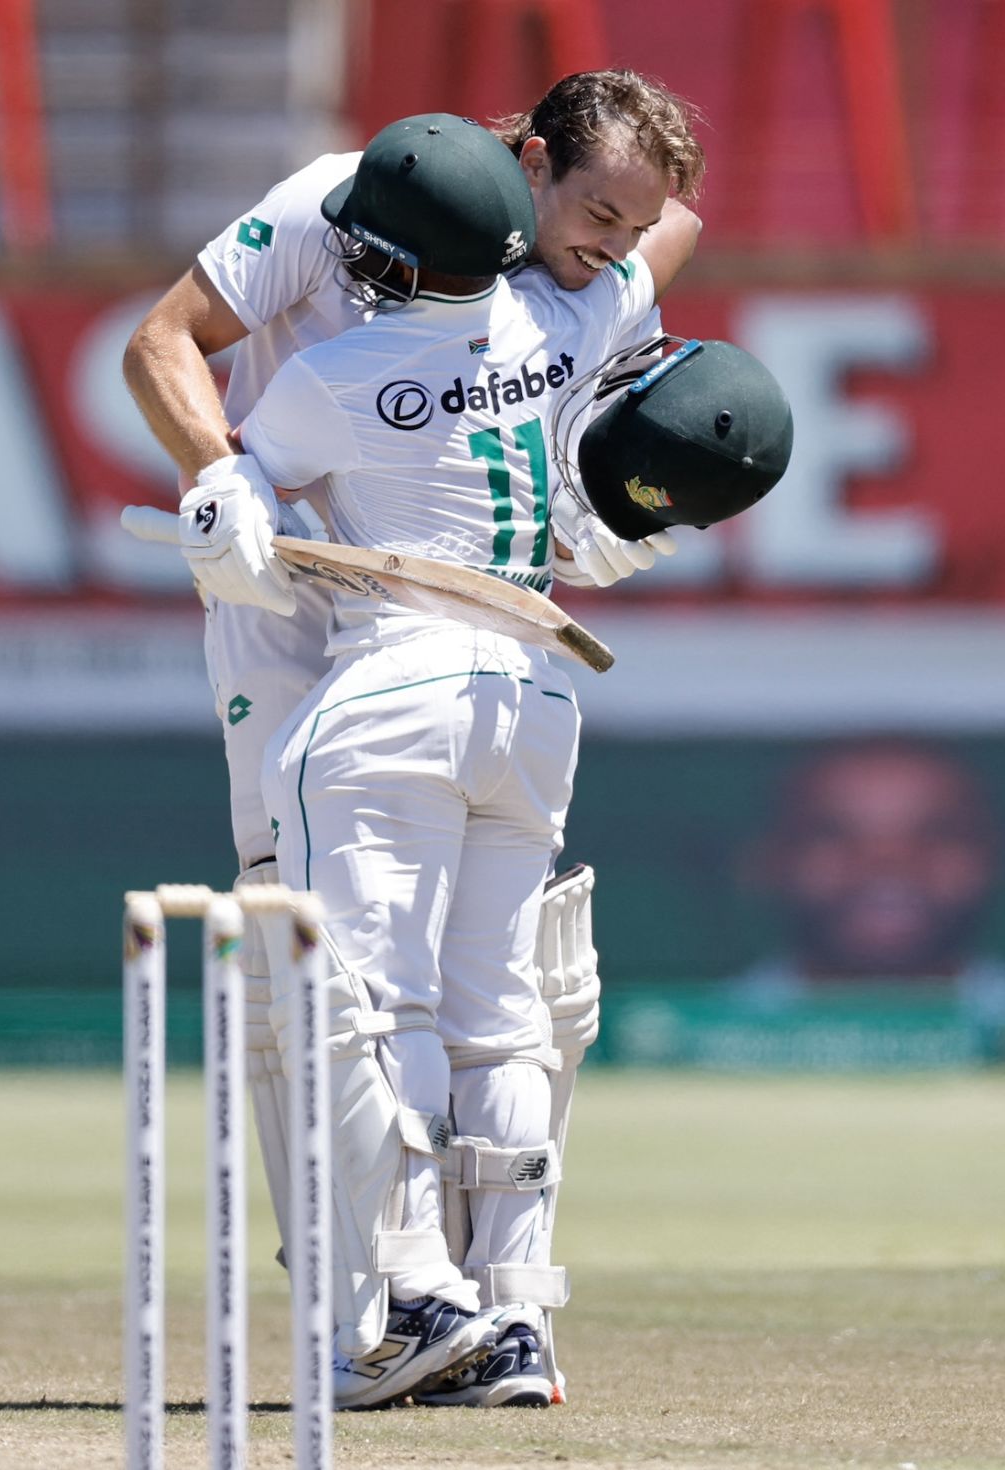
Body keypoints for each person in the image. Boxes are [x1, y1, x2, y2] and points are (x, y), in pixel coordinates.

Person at [122, 71, 707, 1408]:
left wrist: (586, 473)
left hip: (408, 639)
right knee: (331, 962)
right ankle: (406, 1292)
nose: (617, 250)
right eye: (597, 214)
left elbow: (651, 245)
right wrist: (218, 478)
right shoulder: (332, 209)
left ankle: (432, 1306)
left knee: (394, 991)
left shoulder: (565, 274)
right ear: (528, 157)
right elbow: (162, 341)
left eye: (633, 227)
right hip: (297, 613)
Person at [726, 737, 1005, 1053]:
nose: (887, 864)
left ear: (992, 857)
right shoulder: (698, 1041)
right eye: (834, 833)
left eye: (936, 833)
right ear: (769, 860)